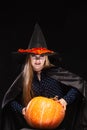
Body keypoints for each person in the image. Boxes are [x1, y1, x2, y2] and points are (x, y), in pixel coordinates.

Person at [0, 23, 87, 130]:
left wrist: (65, 100)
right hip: (33, 125)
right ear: (29, 59)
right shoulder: (25, 77)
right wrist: (22, 110)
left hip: (57, 124)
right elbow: (10, 100)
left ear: (46, 58)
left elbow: (79, 86)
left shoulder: (55, 72)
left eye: (41, 56)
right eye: (34, 56)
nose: (38, 59)